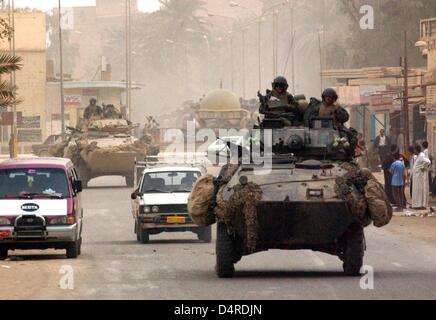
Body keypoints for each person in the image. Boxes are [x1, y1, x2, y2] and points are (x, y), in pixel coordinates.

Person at [412, 145, 431, 210]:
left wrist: (423, 167)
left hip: (419, 177)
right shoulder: (417, 156)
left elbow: (428, 161)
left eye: (414, 150)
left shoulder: (421, 155)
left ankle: (420, 205)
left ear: (416, 150)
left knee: (419, 190)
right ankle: (417, 205)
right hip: (416, 176)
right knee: (416, 190)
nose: (413, 151)